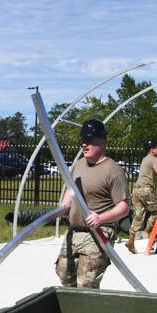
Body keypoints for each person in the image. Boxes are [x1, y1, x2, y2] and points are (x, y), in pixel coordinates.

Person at [55, 119, 129, 289]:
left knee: (86, 284)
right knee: (64, 274)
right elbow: (71, 189)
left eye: (89, 140)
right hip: (74, 232)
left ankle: (86, 312)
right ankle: (72, 309)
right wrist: (65, 205)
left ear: (102, 141)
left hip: (98, 232)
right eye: (83, 140)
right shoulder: (77, 166)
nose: (84, 144)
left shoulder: (113, 170)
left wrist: (100, 218)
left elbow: (124, 207)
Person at [127, 138, 157, 253]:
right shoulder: (153, 159)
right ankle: (148, 231)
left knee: (139, 215)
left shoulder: (146, 159)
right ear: (152, 150)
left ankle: (131, 241)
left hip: (136, 190)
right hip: (146, 190)